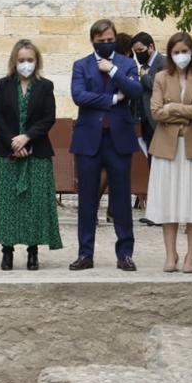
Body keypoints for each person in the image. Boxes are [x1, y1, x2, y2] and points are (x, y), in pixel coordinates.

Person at [69, 19, 144, 271]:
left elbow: (135, 91)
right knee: (87, 199)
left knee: (121, 199)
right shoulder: (81, 65)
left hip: (119, 139)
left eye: (109, 40)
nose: (105, 44)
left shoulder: (125, 63)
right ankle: (85, 253)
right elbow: (79, 96)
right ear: (93, 41)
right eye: (101, 41)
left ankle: (125, 253)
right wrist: (112, 98)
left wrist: (112, 71)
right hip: (89, 139)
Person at [0, 39, 63, 270]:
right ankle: (7, 251)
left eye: (30, 60)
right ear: (14, 61)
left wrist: (27, 137)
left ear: (37, 61)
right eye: (21, 60)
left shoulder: (45, 86)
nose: (25, 64)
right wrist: (14, 141)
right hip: (6, 152)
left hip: (37, 152)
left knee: (35, 203)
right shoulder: (3, 85)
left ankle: (33, 252)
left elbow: (48, 118)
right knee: (7, 203)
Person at [146, 32, 192, 273]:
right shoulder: (161, 77)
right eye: (176, 52)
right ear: (169, 54)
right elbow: (155, 111)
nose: (181, 56)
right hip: (167, 145)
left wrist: (173, 107)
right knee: (169, 200)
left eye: (184, 51)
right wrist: (186, 109)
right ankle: (170, 253)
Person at [131, 32, 167, 150]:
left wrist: (145, 77)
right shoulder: (144, 67)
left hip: (160, 121)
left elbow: (162, 88)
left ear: (151, 47)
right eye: (136, 51)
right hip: (146, 121)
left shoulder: (164, 62)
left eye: (140, 50)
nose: (138, 54)